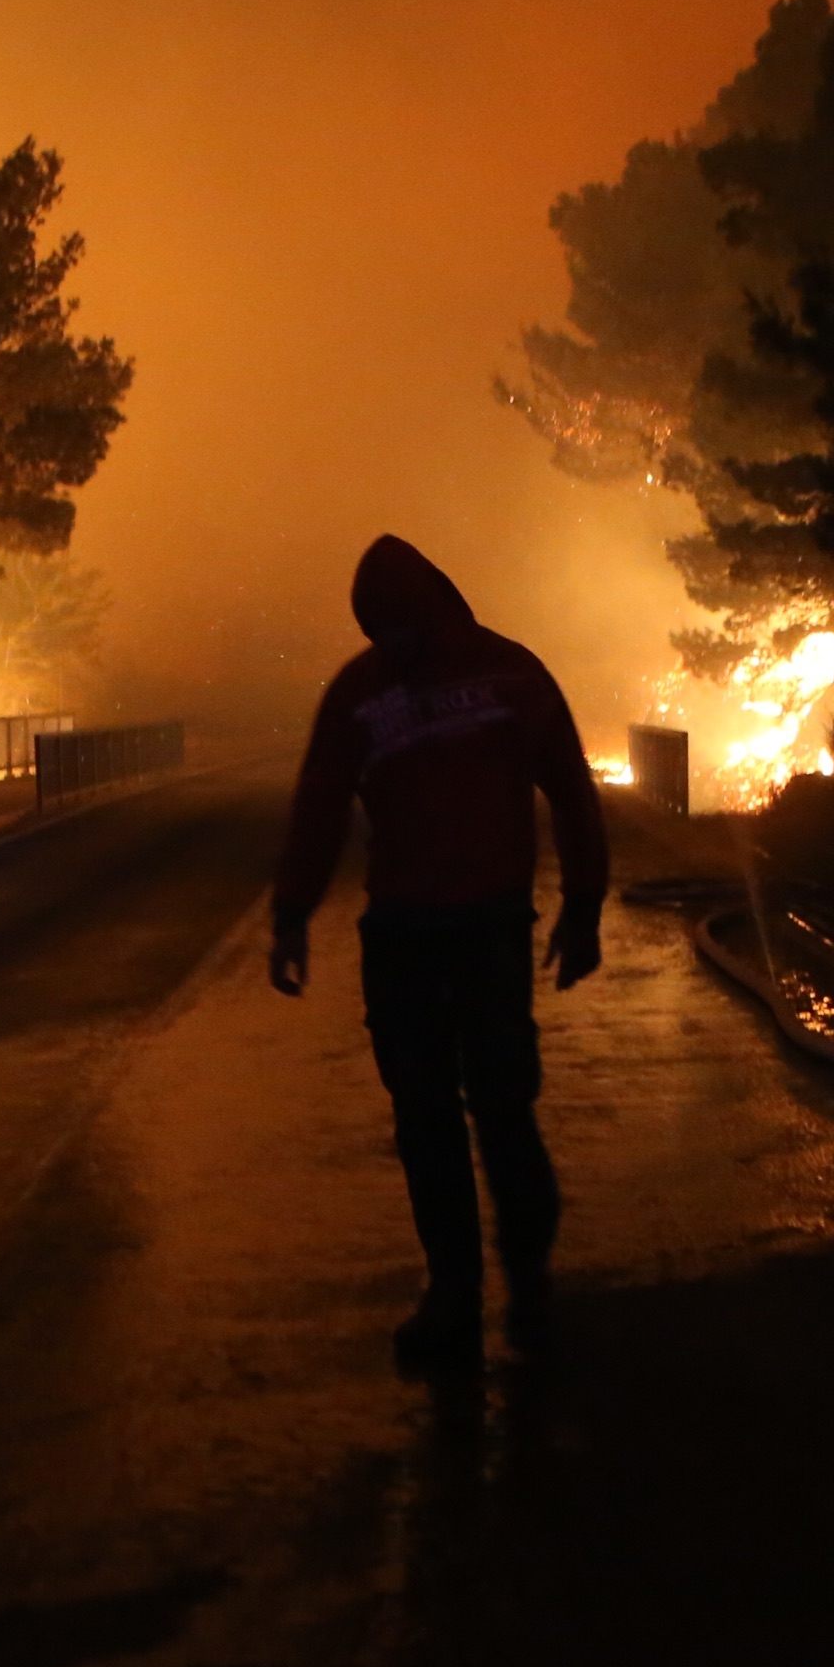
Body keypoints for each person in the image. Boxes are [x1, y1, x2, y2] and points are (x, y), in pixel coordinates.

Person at [271, 535, 609, 1369]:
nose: (393, 646)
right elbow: (570, 791)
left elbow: (569, 788)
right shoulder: (505, 674)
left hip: (441, 933)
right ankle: (496, 1294)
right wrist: (581, 907)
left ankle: (482, 1295)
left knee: (455, 1119)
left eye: (395, 628)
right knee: (472, 1118)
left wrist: (292, 916)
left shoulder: (381, 688)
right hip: (454, 933)